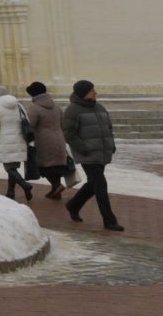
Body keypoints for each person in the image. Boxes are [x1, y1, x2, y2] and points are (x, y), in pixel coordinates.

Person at [62, 79, 124, 231]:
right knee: (101, 185)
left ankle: (73, 205)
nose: (95, 92)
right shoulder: (73, 110)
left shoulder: (99, 107)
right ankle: (109, 221)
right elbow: (69, 134)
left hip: (101, 152)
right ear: (84, 93)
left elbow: (108, 128)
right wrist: (83, 149)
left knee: (93, 184)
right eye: (92, 90)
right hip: (88, 154)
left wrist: (112, 145)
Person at [25, 81, 72, 199]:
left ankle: (57, 186)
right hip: (59, 138)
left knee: (45, 166)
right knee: (56, 165)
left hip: (43, 141)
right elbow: (63, 123)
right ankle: (55, 191)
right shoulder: (56, 106)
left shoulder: (34, 107)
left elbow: (30, 125)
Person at [0, 84, 34, 201]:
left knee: (9, 168)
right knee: (13, 167)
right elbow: (27, 121)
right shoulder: (18, 105)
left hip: (4, 140)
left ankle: (25, 185)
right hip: (19, 139)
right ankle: (11, 192)